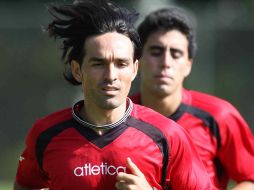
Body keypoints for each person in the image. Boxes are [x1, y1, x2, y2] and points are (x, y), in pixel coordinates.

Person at [13, 0, 212, 190]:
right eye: (98, 63)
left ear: (134, 69)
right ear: (77, 70)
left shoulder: (168, 136)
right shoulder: (45, 134)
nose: (111, 76)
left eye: (121, 64)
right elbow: (26, 185)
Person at [131, 6, 254, 190]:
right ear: (137, 61)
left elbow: (250, 178)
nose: (166, 62)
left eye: (176, 53)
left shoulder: (219, 116)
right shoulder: (120, 117)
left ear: (188, 65)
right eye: (156, 51)